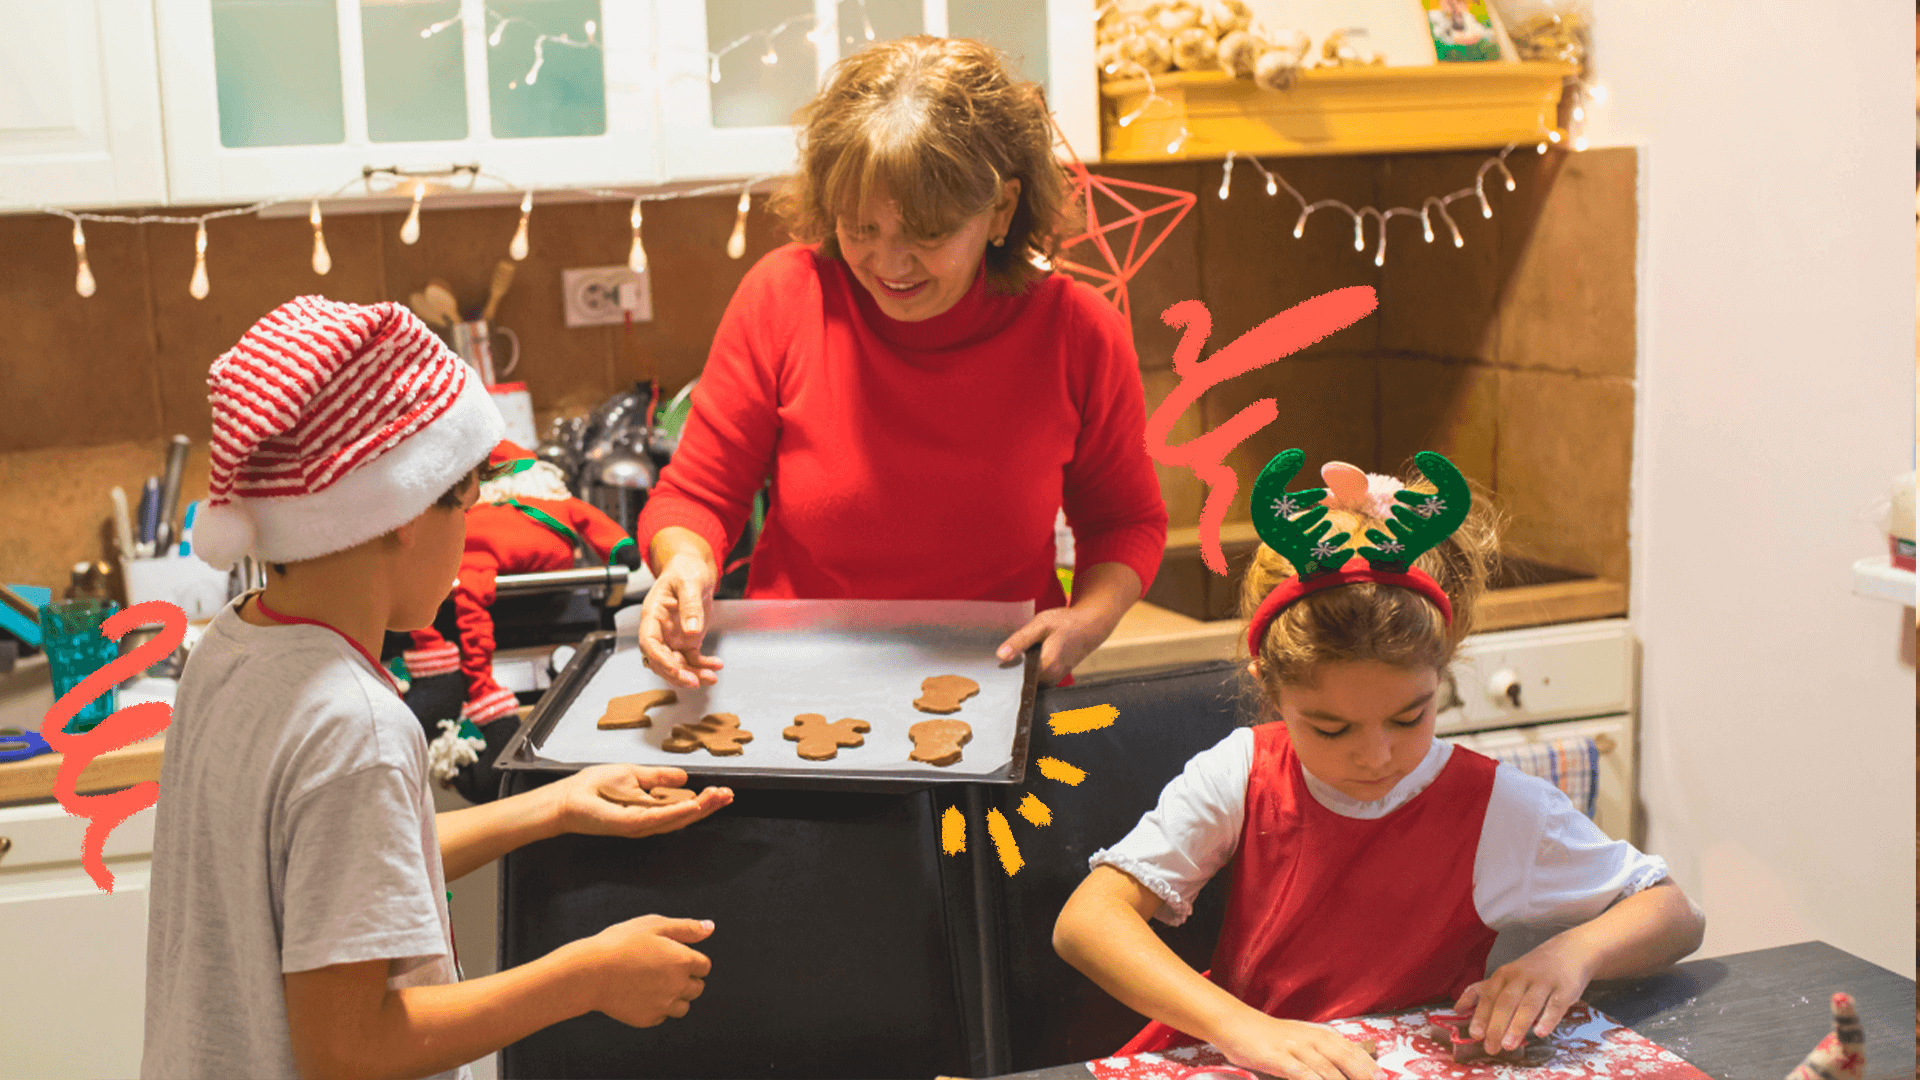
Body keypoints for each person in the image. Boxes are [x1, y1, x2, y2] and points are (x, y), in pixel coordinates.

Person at [145, 297, 731, 1080]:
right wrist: (587, 975)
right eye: (466, 505)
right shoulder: (356, 725)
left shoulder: (238, 645)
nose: (470, 536)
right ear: (401, 513)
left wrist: (553, 806)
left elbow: (340, 884)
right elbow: (350, 1050)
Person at [1051, 451, 1706, 1080]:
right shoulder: (1242, 774)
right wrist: (1240, 1026)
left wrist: (1572, 954)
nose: (1376, 755)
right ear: (1270, 690)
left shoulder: (1496, 809)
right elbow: (1087, 922)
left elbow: (1674, 913)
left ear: (1441, 676)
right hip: (1245, 1055)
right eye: (1330, 728)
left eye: (1408, 717)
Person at [635, 36, 1168, 688]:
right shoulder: (784, 298)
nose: (889, 265)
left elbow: (1125, 522)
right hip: (793, 686)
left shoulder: (1077, 331)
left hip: (999, 692)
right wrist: (684, 566)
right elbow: (696, 498)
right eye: (861, 228)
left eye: (928, 234)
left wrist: (1088, 618)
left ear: (1000, 208)